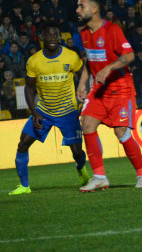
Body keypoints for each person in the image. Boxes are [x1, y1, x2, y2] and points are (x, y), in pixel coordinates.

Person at [75, 0, 142, 191]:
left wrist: (108, 68)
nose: (77, 10)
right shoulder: (83, 33)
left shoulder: (112, 30)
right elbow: (89, 61)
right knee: (87, 124)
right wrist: (82, 83)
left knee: (121, 132)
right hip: (99, 90)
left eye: (81, 6)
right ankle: (99, 176)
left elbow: (129, 56)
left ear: (94, 8)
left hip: (121, 89)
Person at [8, 22, 89, 195]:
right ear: (42, 38)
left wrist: (84, 98)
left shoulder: (70, 56)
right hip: (43, 111)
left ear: (60, 37)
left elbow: (85, 74)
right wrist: (35, 113)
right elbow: (28, 88)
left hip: (68, 112)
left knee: (77, 152)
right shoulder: (34, 61)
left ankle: (81, 167)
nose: (52, 38)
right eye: (48, 35)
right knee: (23, 144)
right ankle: (24, 186)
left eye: (55, 35)